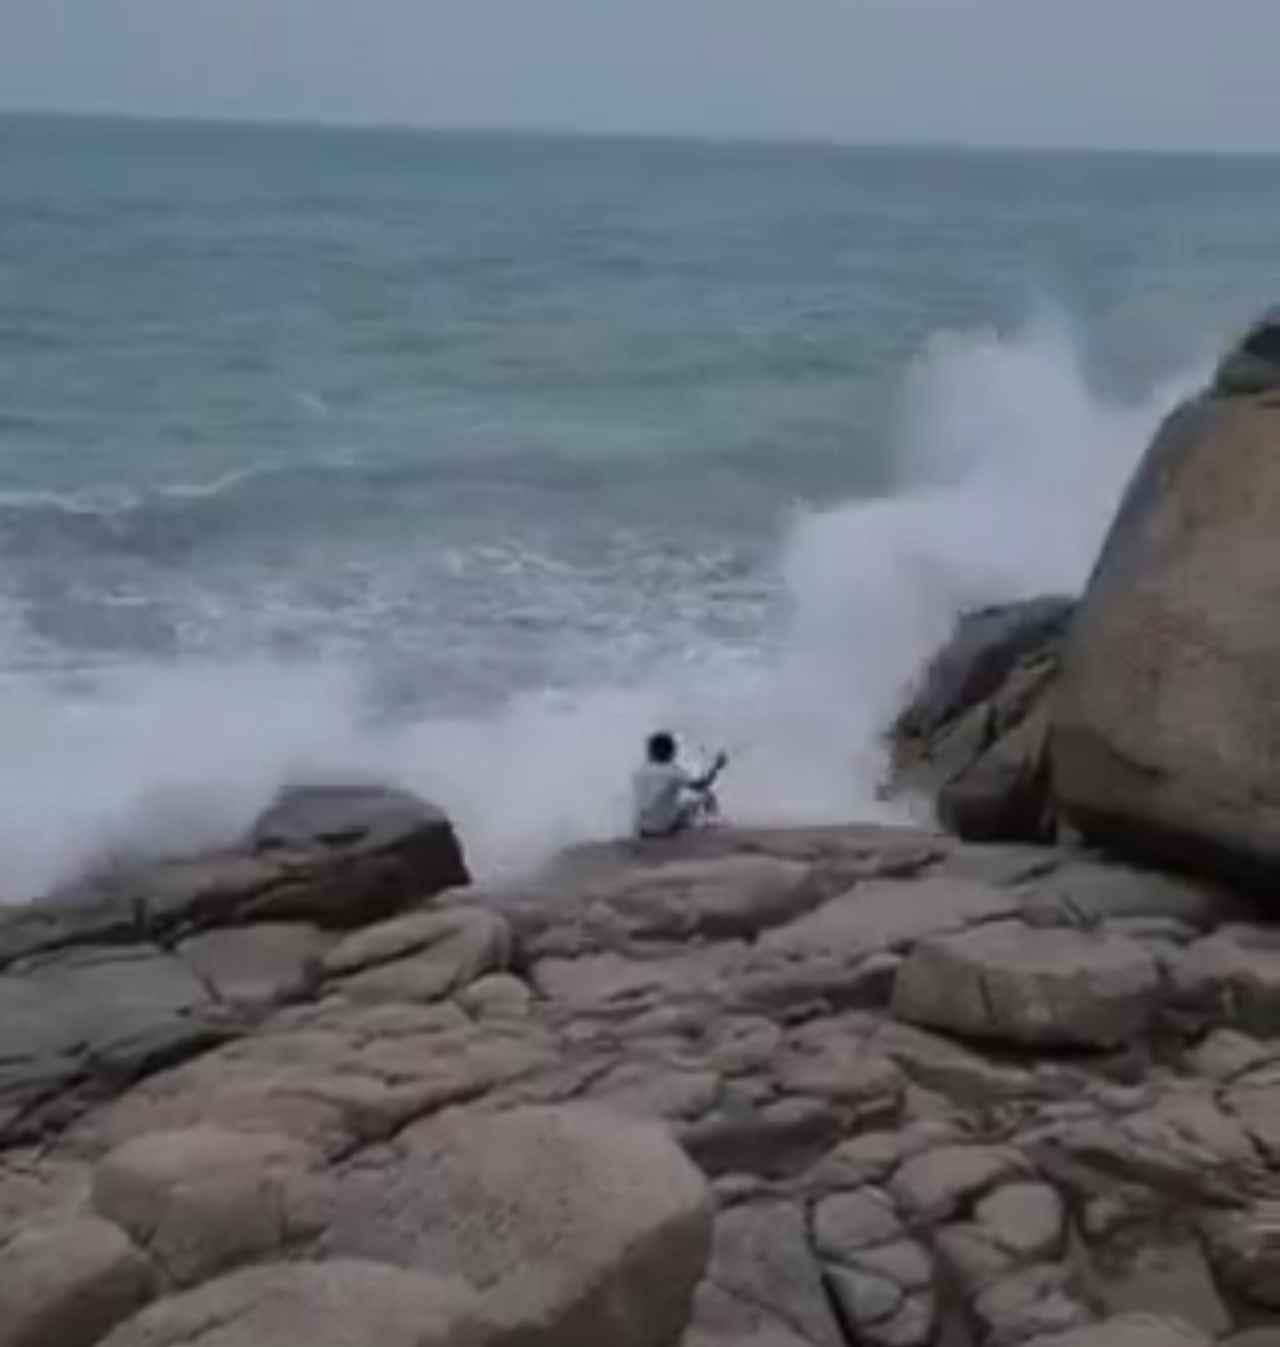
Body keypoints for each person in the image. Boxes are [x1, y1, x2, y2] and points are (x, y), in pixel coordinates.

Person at [632, 731, 727, 839]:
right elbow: (702, 785)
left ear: (650, 752)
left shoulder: (638, 772)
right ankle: (713, 823)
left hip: (643, 829)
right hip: (664, 829)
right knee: (705, 796)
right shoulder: (673, 772)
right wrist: (717, 766)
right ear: (671, 752)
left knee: (676, 804)